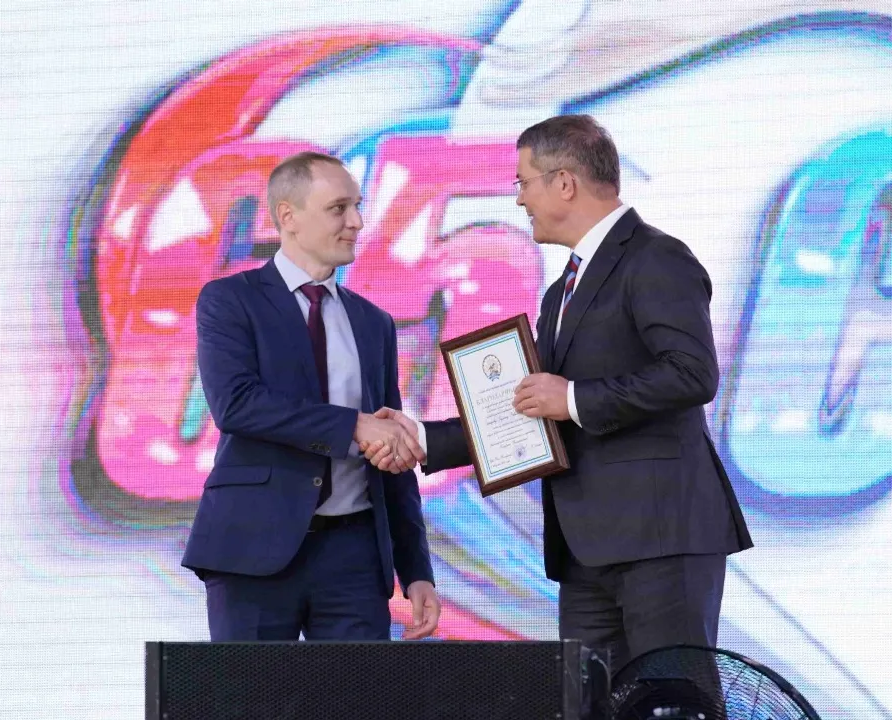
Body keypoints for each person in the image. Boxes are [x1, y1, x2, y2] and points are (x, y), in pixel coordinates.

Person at [365, 115, 752, 673]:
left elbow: (692, 374)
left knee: (671, 697)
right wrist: (424, 438)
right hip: (583, 546)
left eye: (524, 182)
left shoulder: (657, 258)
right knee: (586, 700)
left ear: (565, 183)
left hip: (660, 537)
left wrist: (572, 399)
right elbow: (533, 408)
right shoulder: (560, 291)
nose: (518, 198)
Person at [181, 151, 440, 642]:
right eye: (339, 208)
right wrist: (353, 425)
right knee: (250, 690)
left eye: (357, 207)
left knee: (357, 689)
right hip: (252, 551)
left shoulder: (373, 323)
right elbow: (236, 404)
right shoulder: (230, 300)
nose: (356, 222)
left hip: (355, 559)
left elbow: (393, 450)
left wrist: (416, 570)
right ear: (288, 217)